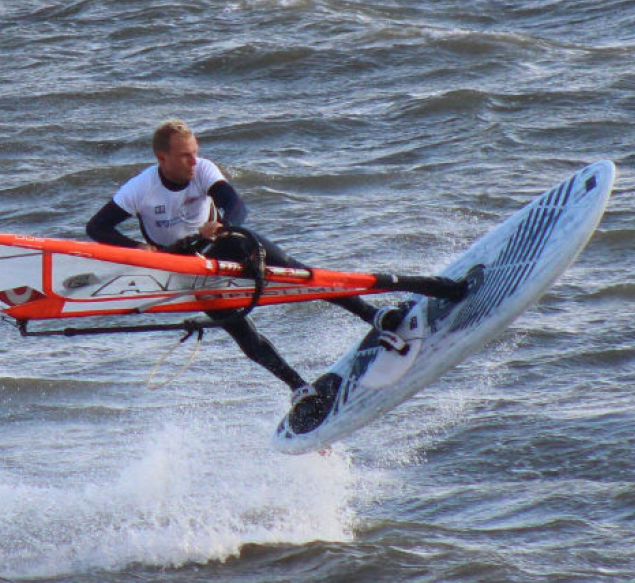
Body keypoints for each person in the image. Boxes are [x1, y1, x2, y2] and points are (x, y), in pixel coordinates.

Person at [86, 119, 464, 411]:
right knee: (238, 327)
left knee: (300, 275)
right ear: (161, 158)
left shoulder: (202, 170)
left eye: (195, 152)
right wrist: (141, 249)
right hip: (183, 264)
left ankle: (373, 316)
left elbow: (236, 204)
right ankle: (298, 387)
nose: (193, 160)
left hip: (221, 242)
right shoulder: (140, 188)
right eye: (184, 155)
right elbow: (97, 228)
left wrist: (224, 224)